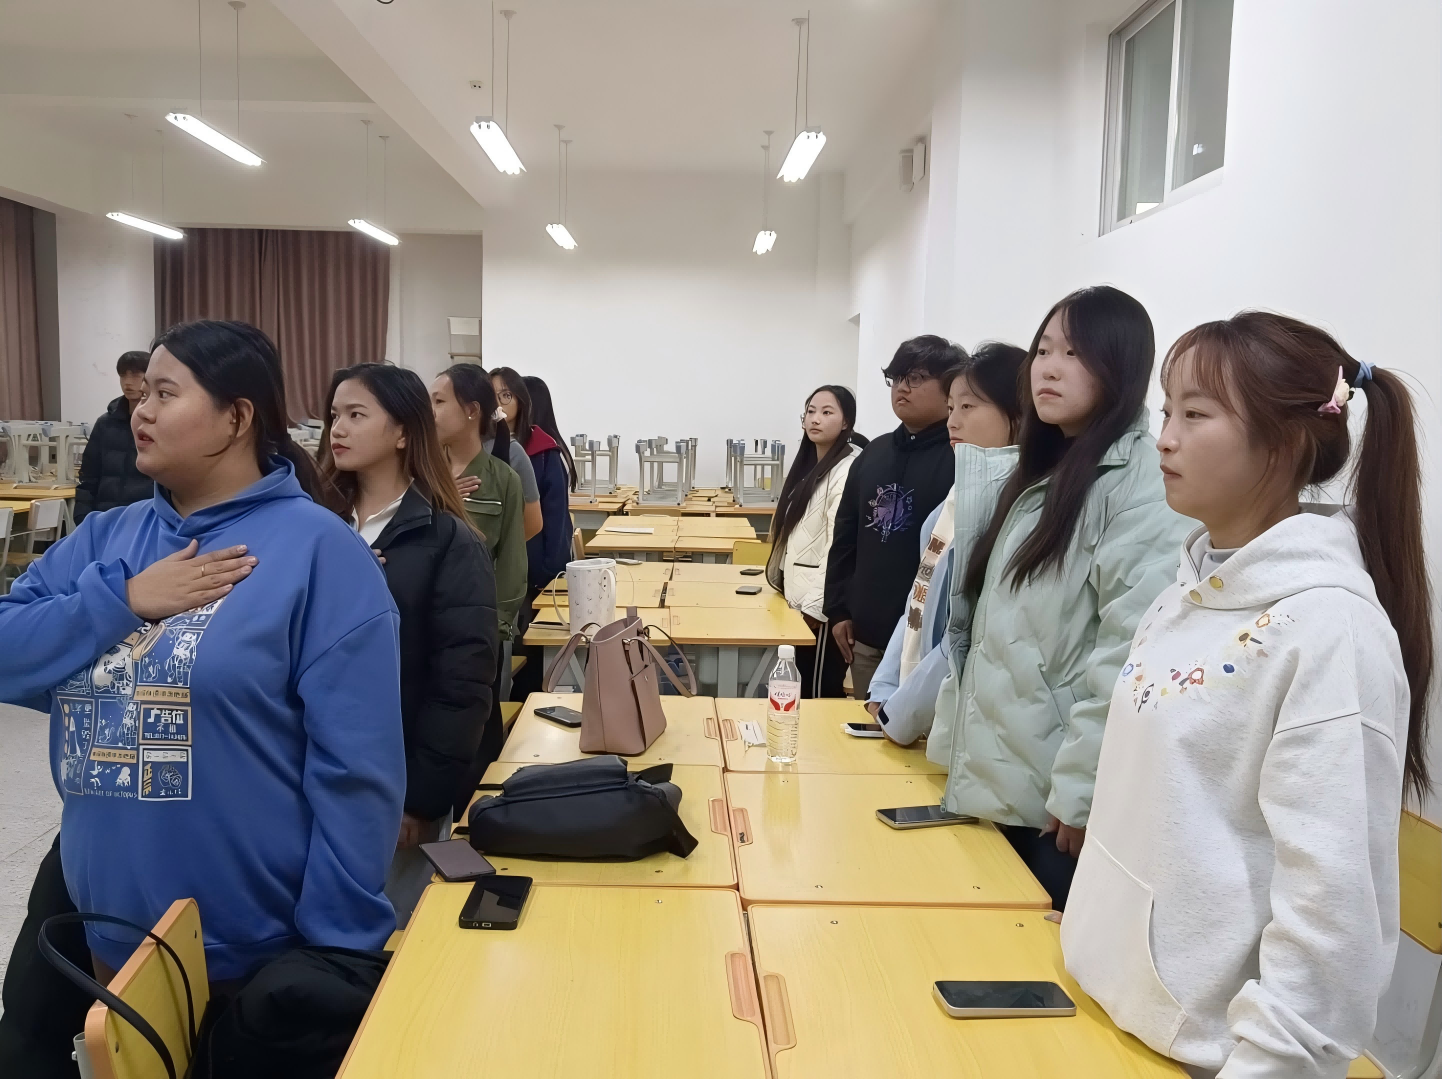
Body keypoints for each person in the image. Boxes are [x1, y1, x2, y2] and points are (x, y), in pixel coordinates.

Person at [1063, 314, 1432, 1079]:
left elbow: (1332, 923)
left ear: (1285, 443)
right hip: (1104, 1006)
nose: (1165, 438)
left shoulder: (1329, 632)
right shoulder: (1186, 590)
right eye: (1166, 410)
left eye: (1195, 415)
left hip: (1208, 1055)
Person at [0, 320, 404, 992]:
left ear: (237, 418)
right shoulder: (106, 539)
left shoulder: (321, 552)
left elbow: (358, 771)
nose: (142, 411)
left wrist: (334, 948)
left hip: (257, 949)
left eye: (165, 394)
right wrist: (124, 599)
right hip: (106, 928)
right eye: (142, 395)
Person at [934, 287, 1189, 910]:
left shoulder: (1140, 483)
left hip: (1058, 809)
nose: (1048, 368)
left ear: (1120, 366)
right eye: (1043, 350)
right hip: (999, 779)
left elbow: (1128, 654)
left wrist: (1080, 790)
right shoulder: (1037, 471)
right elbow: (986, 634)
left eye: (1074, 354)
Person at [319, 363, 499, 924]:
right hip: (311, 770)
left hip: (393, 780)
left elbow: (462, 683)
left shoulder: (447, 539)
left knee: (386, 936)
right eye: (334, 416)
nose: (337, 429)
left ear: (402, 432)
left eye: (356, 415)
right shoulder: (314, 527)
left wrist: (420, 799)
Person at [865, 343, 1027, 743]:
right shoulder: (952, 503)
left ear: (1018, 414)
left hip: (965, 723)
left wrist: (899, 713)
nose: (953, 421)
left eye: (968, 407)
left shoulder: (1019, 509)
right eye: (951, 407)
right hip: (915, 714)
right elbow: (917, 602)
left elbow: (963, 636)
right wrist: (884, 688)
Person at [823, 335, 959, 698]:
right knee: (868, 724)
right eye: (896, 378)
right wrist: (838, 610)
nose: (902, 388)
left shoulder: (960, 456)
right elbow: (846, 535)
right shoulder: (874, 453)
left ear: (949, 387)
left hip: (929, 643)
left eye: (915, 378)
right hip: (865, 635)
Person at [430, 364, 527, 814]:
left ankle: (478, 825)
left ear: (471, 411)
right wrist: (438, 496)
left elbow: (512, 562)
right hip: (425, 627)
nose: (430, 412)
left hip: (479, 635)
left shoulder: (503, 478)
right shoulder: (420, 475)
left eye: (439, 402)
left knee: (476, 740)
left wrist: (498, 629)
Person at [765, 385, 867, 697]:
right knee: (801, 688)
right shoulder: (812, 466)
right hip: (799, 601)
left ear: (846, 421)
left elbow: (839, 546)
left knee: (818, 693)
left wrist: (815, 608)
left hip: (820, 610)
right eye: (810, 411)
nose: (815, 419)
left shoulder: (847, 469)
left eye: (826, 412)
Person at [493, 369, 573, 593]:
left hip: (534, 569)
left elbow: (555, 517)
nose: (497, 403)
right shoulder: (477, 447)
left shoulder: (544, 451)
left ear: (521, 401)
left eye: (505, 395)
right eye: (491, 395)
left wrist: (549, 571)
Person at [73, 350, 153, 522]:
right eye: (123, 376)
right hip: (105, 519)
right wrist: (83, 517)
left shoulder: (158, 422)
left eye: (136, 375)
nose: (128, 382)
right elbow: (89, 476)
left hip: (145, 519)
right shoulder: (105, 423)